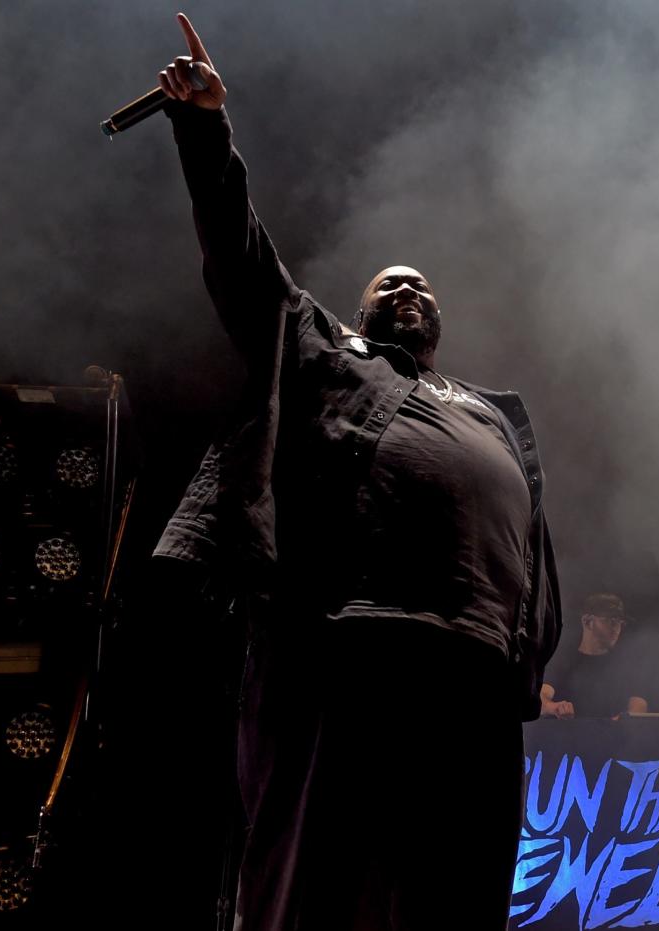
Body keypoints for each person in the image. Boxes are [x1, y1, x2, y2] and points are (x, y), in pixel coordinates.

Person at [148, 15, 561, 931]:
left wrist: (525, 659)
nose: (408, 289)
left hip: (477, 671)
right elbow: (244, 263)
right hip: (351, 643)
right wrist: (206, 128)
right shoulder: (325, 351)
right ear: (363, 311)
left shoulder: (488, 407)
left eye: (422, 286)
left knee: (455, 893)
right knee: (318, 887)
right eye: (389, 285)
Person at [540, 592, 649, 718]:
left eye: (620, 622)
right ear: (587, 621)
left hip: (612, 737)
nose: (616, 628)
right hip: (569, 737)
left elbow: (639, 704)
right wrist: (554, 707)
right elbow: (541, 696)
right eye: (610, 621)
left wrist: (625, 719)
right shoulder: (563, 662)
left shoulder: (626, 665)